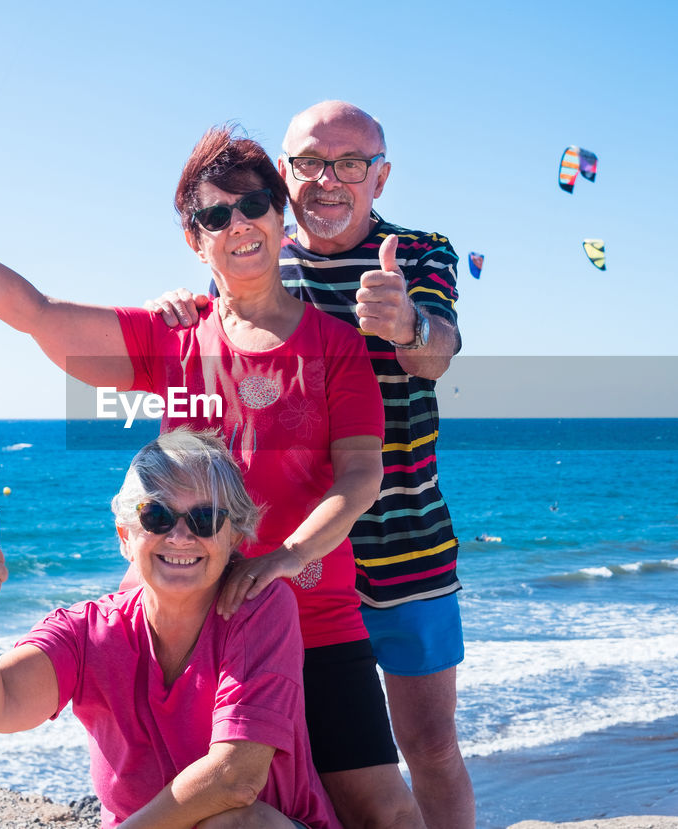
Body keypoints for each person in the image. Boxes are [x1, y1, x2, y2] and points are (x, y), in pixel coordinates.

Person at [0, 127, 426, 828]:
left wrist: (289, 557)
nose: (237, 224)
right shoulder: (176, 335)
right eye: (213, 215)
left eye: (254, 204)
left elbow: (359, 476)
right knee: (221, 811)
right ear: (193, 238)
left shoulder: (337, 348)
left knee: (385, 813)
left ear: (279, 216)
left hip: (312, 616)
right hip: (187, 619)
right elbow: (41, 317)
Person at [145, 101, 475, 829]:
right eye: (310, 165)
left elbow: (440, 351)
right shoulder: (257, 244)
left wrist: (409, 324)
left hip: (403, 543)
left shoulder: (418, 252)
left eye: (350, 164)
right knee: (320, 753)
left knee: (428, 743)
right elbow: (213, 338)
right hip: (296, 568)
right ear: (287, 177)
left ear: (379, 177)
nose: (328, 180)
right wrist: (169, 306)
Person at [0, 429, 341, 828]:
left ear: (234, 535)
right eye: (157, 516)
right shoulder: (86, 632)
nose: (181, 536)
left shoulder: (259, 609)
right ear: (125, 536)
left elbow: (235, 779)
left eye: (205, 518)